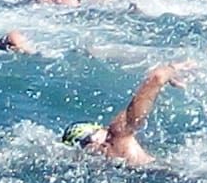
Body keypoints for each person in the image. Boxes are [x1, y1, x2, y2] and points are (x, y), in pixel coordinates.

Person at [62, 61, 193, 166]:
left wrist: (170, 70)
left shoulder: (117, 133)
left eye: (86, 142)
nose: (90, 149)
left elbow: (156, 77)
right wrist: (171, 69)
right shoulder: (107, 158)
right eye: (84, 145)